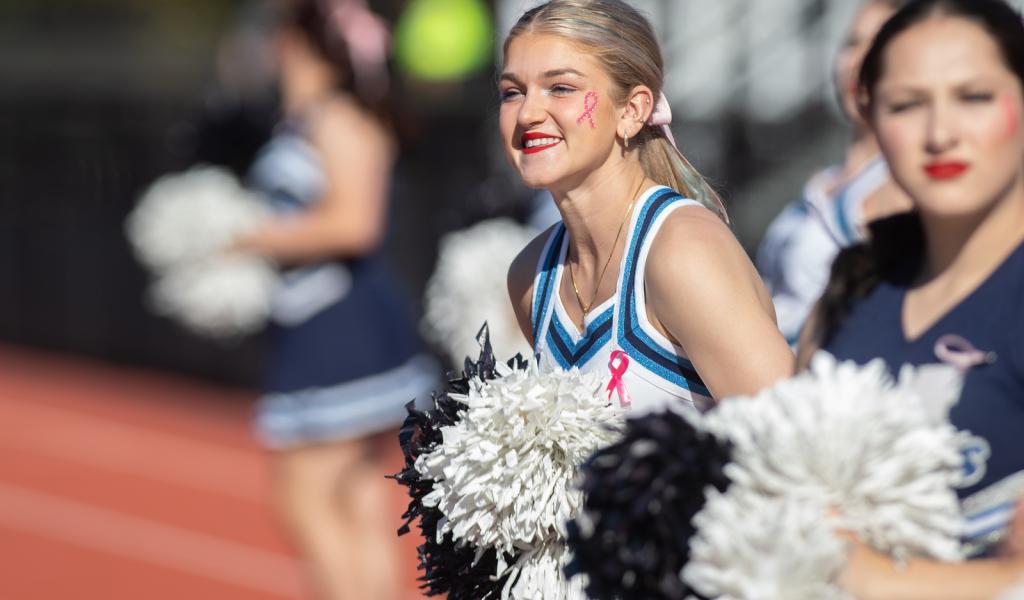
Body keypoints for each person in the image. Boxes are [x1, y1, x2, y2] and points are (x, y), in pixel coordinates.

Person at [797, 0, 1024, 595]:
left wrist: (850, 569)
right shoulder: (852, 285)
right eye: (906, 104)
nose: (939, 134)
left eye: (974, 96)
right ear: (868, 112)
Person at [231, 0, 437, 598]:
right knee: (353, 496)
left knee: (304, 495)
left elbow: (356, 223)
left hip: (341, 329)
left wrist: (247, 237)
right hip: (315, 325)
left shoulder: (340, 118)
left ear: (300, 42)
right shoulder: (304, 118)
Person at [504, 0, 794, 413]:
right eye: (511, 92)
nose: (528, 112)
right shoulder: (532, 277)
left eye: (562, 87)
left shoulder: (681, 250)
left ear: (633, 110)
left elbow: (794, 441)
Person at [757, 0, 912, 346]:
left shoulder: (904, 183)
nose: (858, 61)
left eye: (880, 45)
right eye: (851, 43)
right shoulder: (826, 179)